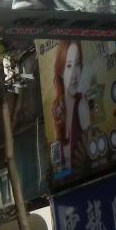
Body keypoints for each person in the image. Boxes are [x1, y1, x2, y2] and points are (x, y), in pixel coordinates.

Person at [50, 40, 90, 179]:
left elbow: (90, 155)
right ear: (61, 72)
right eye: (69, 66)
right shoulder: (58, 110)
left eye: (77, 64)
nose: (74, 74)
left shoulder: (82, 105)